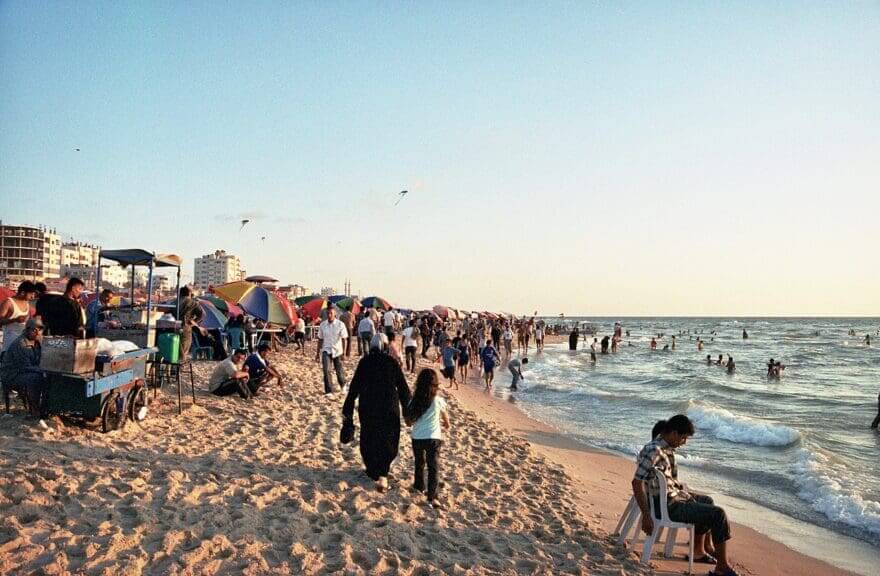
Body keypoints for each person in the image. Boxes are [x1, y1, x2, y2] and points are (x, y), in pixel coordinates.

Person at [632, 415, 736, 574]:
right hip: (668, 506)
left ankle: (699, 550)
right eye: (684, 437)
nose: (684, 442)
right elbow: (636, 482)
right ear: (674, 433)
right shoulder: (654, 450)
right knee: (718, 514)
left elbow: (668, 481)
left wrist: (684, 492)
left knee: (707, 500)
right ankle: (722, 567)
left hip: (670, 498)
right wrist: (647, 515)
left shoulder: (665, 449)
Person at [342, 333, 412, 492]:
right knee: (389, 438)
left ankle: (373, 470)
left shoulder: (364, 362)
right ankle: (383, 472)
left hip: (368, 406)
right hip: (389, 407)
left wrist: (348, 409)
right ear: (386, 347)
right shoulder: (392, 362)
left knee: (369, 436)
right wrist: (409, 410)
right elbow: (403, 389)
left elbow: (353, 389)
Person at [405, 368, 449, 508]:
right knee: (433, 467)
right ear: (435, 384)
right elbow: (445, 418)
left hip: (417, 437)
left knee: (419, 462)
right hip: (433, 438)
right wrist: (447, 424)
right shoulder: (438, 400)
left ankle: (419, 486)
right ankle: (432, 496)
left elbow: (408, 422)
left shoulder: (414, 400)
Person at [0, 318, 48, 427]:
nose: (39, 333)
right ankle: (34, 411)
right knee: (34, 378)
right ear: (30, 330)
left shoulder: (36, 341)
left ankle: (45, 408)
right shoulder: (21, 344)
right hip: (12, 374)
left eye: (40, 331)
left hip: (24, 371)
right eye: (36, 331)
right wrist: (44, 370)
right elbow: (26, 367)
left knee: (47, 377)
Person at [316, 306, 348, 395]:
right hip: (326, 350)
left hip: (337, 350)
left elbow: (344, 339)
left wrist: (344, 353)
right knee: (326, 370)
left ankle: (343, 384)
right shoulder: (323, 325)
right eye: (328, 313)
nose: (329, 315)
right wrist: (317, 353)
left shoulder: (340, 324)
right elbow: (320, 339)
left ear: (335, 314)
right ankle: (329, 390)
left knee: (339, 371)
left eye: (331, 313)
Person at [1, 281, 37, 352]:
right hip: (10, 343)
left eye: (34, 294)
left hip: (23, 343)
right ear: (23, 293)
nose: (33, 297)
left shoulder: (26, 303)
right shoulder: (9, 303)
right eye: (31, 294)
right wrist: (15, 320)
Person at [177, 286, 204, 360]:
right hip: (185, 327)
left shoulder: (174, 301)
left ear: (180, 293)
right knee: (184, 347)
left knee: (175, 347)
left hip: (172, 327)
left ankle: (174, 366)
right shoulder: (193, 302)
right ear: (189, 293)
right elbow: (202, 314)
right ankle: (180, 364)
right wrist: (193, 322)